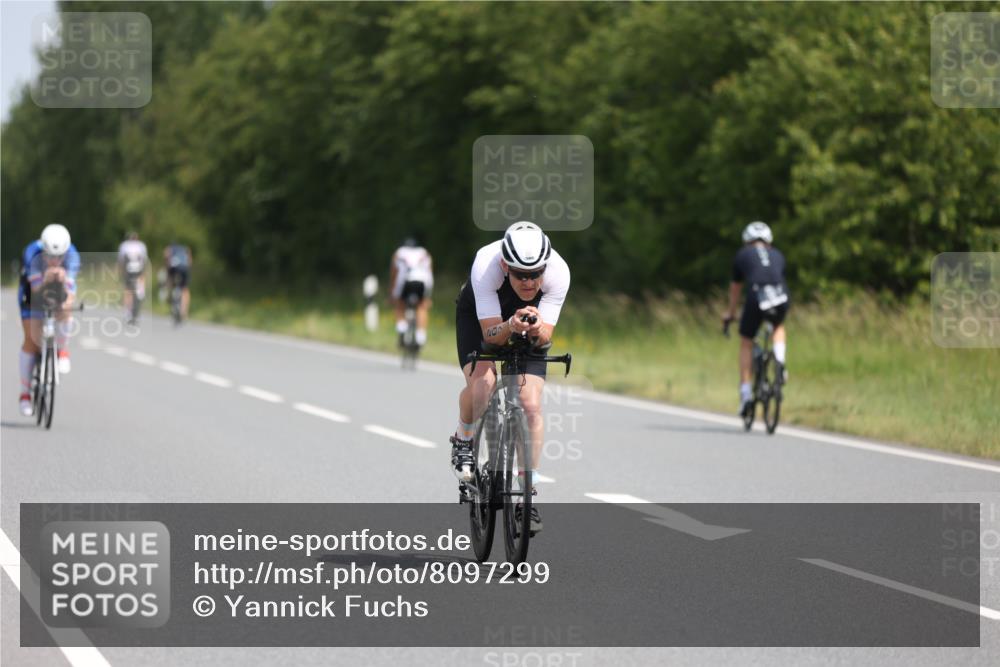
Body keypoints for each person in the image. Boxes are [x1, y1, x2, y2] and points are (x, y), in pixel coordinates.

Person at [452, 221, 570, 534]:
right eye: (520, 274)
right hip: (483, 319)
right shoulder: (485, 265)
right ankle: (464, 438)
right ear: (506, 265)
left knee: (530, 405)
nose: (529, 282)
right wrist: (510, 326)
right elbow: (490, 337)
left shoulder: (559, 272)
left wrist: (534, 330)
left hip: (524, 326)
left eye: (536, 274)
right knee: (485, 384)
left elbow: (545, 339)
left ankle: (526, 497)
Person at [722, 221, 789, 416]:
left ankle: (745, 395)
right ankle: (780, 362)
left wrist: (731, 313)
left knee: (746, 341)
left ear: (746, 241)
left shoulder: (742, 254)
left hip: (756, 295)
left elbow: (736, 289)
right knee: (777, 325)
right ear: (768, 241)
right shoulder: (778, 254)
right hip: (781, 295)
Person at [17, 224, 81, 416]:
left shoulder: (72, 256)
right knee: (31, 341)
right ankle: (25, 394)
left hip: (58, 290)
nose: (54, 261)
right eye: (50, 256)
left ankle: (62, 350)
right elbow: (36, 290)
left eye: (59, 257)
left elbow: (70, 294)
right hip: (31, 292)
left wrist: (63, 289)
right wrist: (46, 279)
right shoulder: (32, 254)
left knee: (65, 310)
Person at [389, 237, 434, 349]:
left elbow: (394, 273)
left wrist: (392, 292)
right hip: (422, 282)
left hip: (406, 281)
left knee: (399, 304)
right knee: (422, 306)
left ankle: (402, 328)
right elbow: (429, 274)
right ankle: (420, 337)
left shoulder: (399, 252)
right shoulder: (424, 252)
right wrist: (428, 296)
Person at [117, 231, 148, 324]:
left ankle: (127, 313)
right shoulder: (142, 245)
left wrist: (121, 273)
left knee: (128, 291)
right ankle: (136, 313)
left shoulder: (124, 245)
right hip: (138, 271)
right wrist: (144, 274)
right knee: (139, 292)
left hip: (128, 271)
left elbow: (121, 261)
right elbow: (144, 260)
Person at [163, 241, 192, 321]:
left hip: (174, 267)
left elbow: (166, 256)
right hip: (184, 268)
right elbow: (189, 260)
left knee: (170, 281)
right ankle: (184, 311)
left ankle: (169, 296)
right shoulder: (185, 248)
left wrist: (167, 267)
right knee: (185, 289)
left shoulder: (170, 248)